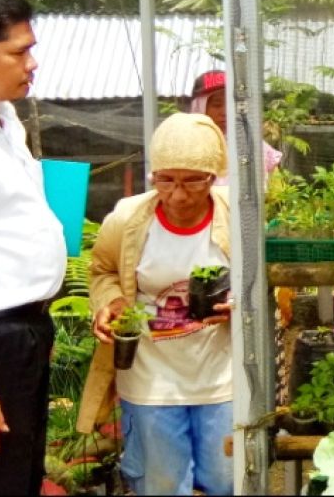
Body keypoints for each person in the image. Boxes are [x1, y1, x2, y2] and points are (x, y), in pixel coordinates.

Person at [77, 112, 234, 495]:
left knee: (225, 479)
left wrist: (242, 304)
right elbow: (103, 271)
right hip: (150, 378)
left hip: (221, 378)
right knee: (162, 483)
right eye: (166, 179)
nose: (178, 193)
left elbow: (269, 284)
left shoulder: (236, 217)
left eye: (193, 181)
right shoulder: (129, 218)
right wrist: (110, 302)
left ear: (213, 176)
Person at [0, 0, 66, 496]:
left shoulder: (3, 119)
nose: (32, 63)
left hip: (20, 335)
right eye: (18, 51)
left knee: (20, 475)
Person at [190, 69, 283, 186]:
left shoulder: (256, 148)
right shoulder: (186, 148)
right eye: (216, 104)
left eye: (230, 104)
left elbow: (277, 196)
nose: (225, 112)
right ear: (199, 108)